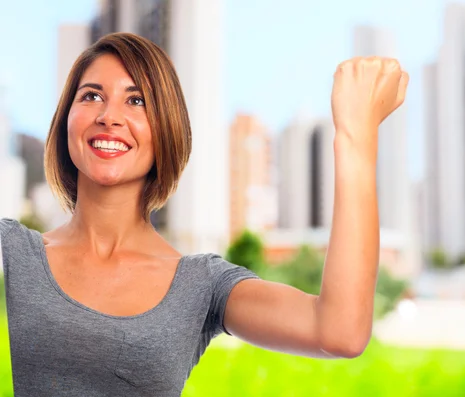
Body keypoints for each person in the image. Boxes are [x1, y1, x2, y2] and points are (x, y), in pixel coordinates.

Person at [0, 32, 409, 396]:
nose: (109, 115)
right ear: (66, 120)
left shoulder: (202, 285)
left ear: (167, 128)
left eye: (137, 100)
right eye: (91, 96)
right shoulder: (12, 251)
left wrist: (355, 136)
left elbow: (338, 332)